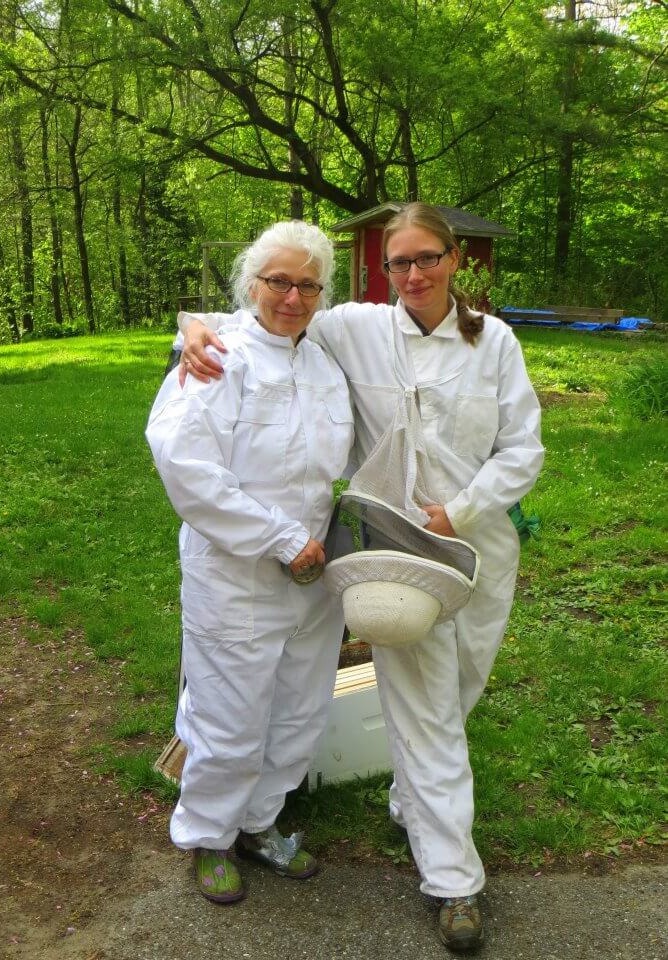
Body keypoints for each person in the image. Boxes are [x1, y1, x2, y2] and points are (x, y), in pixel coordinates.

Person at [177, 203, 544, 951]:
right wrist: (187, 327)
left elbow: (524, 450)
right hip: (397, 557)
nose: (413, 275)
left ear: (454, 259)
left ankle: (414, 803)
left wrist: (464, 509)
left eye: (428, 259)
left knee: (458, 694)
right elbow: (265, 302)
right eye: (399, 263)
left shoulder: (493, 342)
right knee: (428, 715)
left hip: (479, 552)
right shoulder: (359, 327)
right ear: (384, 271)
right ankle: (453, 882)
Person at [146, 221, 354, 904]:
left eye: (307, 284)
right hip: (235, 573)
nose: (292, 296)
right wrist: (278, 539)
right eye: (278, 281)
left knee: (298, 712)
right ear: (251, 284)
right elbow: (186, 465)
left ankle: (261, 825)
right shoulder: (216, 357)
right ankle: (208, 836)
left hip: (312, 574)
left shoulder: (323, 363)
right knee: (229, 717)